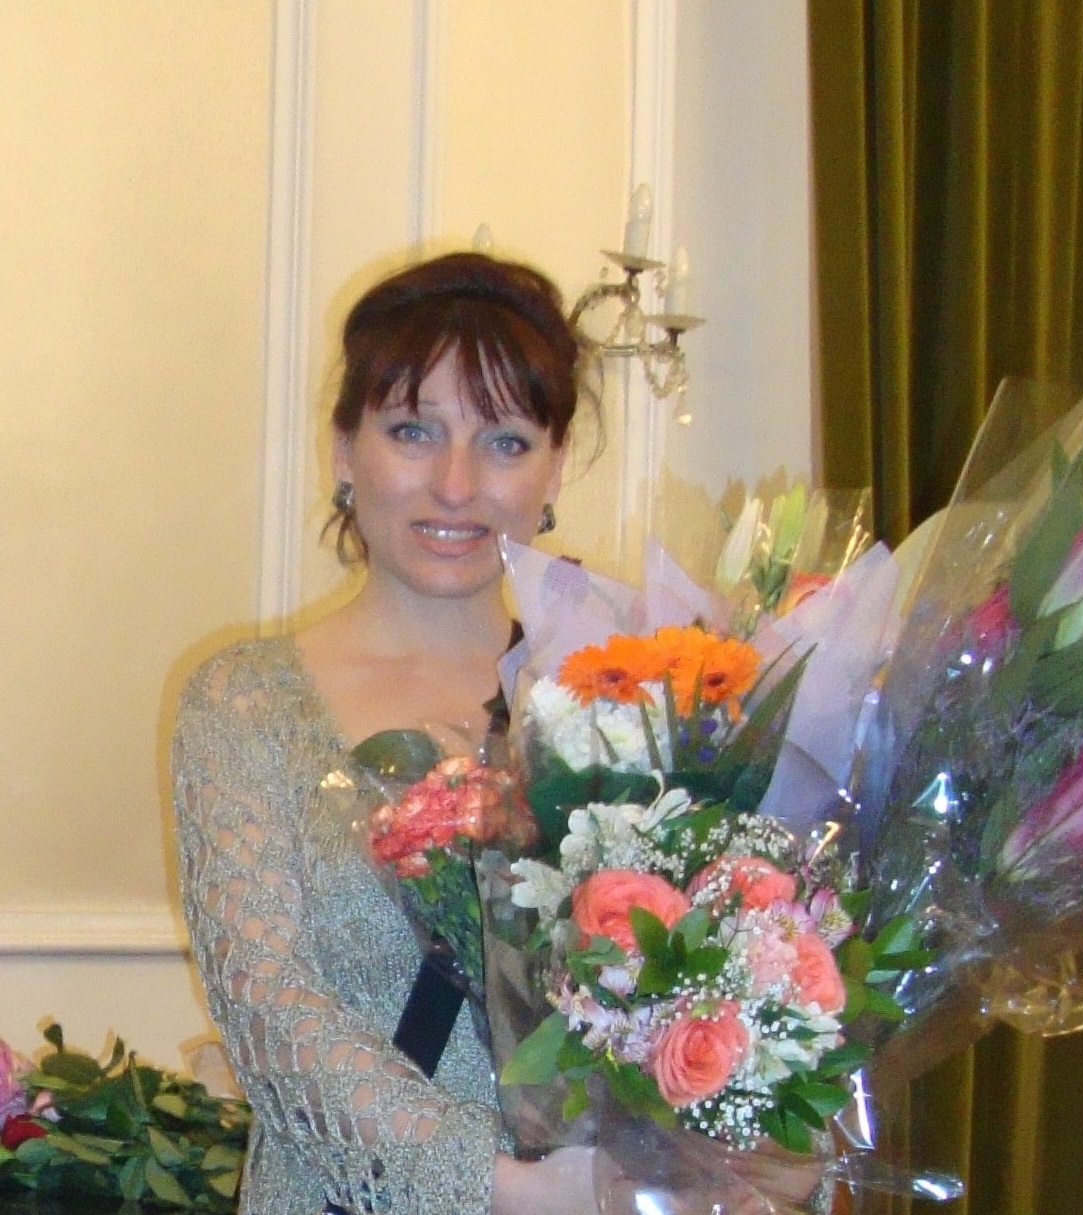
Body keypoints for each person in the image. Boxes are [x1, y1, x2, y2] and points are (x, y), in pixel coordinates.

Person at [172, 251, 602, 1215]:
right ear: (343, 450)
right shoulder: (244, 703)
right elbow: (269, 1006)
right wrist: (499, 1187)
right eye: (414, 430)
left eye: (505, 441)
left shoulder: (623, 698)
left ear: (554, 465)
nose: (455, 483)